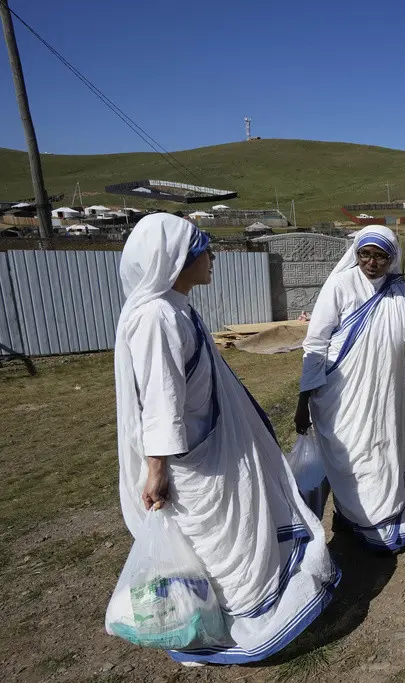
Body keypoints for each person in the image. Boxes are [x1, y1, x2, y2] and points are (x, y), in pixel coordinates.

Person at [112, 213, 340, 665]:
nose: (212, 256)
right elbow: (160, 399)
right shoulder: (157, 315)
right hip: (192, 462)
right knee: (213, 545)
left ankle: (238, 610)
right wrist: (157, 468)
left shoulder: (174, 306)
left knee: (228, 537)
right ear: (175, 258)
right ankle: (231, 624)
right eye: (203, 248)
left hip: (207, 449)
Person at [295, 225, 405, 553]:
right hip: (341, 392)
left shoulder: (397, 288)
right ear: (356, 254)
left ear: (392, 258)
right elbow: (316, 341)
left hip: (383, 392)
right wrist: (303, 398)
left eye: (380, 256)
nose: (372, 262)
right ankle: (356, 519)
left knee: (381, 448)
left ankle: (384, 523)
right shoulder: (340, 284)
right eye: (365, 254)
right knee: (355, 456)